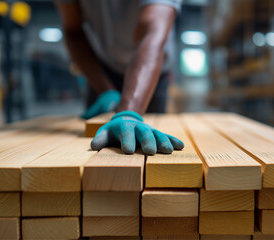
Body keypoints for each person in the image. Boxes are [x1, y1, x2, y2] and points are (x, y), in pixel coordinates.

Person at [55, 0, 184, 155]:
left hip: (150, 71)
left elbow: (151, 33)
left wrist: (129, 114)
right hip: (102, 68)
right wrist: (105, 91)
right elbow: (73, 31)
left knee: (147, 143)